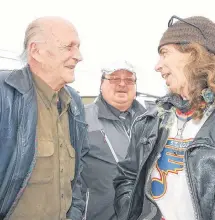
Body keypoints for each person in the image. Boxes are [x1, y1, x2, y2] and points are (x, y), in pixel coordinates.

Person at [114, 15, 215, 220]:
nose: (157, 66)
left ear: (193, 53)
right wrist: (131, 213)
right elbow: (127, 178)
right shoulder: (150, 121)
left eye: (164, 53)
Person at [0, 16, 89, 220]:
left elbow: (78, 175)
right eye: (69, 47)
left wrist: (74, 213)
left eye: (78, 47)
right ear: (36, 51)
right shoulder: (4, 93)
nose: (79, 56)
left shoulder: (73, 102)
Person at [81, 60, 146, 220]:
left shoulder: (151, 120)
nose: (122, 84)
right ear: (101, 84)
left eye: (129, 80)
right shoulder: (82, 119)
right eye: (115, 78)